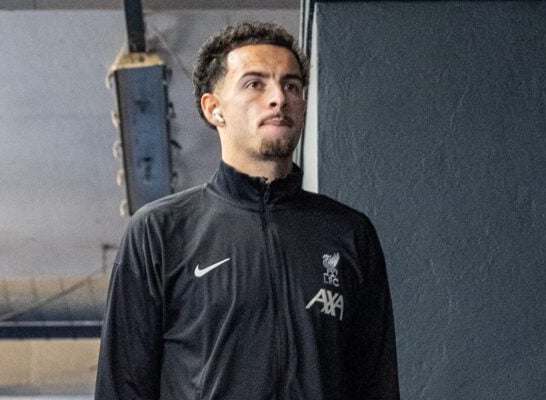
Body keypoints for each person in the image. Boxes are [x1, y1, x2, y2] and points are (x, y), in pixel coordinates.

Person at [95, 21, 399, 399]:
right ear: (214, 108)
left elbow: (376, 385)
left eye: (291, 85)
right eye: (255, 83)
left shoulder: (348, 234)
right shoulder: (159, 232)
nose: (279, 98)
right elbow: (122, 387)